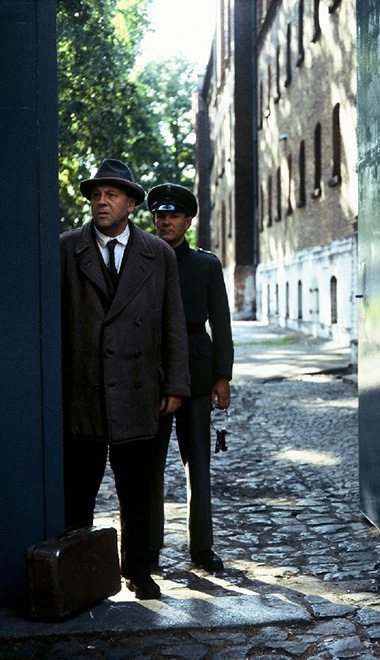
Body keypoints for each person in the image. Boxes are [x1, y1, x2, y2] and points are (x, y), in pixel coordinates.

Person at [60, 159, 190, 600]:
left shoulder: (160, 254)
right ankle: (75, 573)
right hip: (84, 391)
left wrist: (175, 384)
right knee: (77, 490)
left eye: (112, 194)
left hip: (139, 390)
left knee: (137, 490)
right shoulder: (65, 250)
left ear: (130, 203)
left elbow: (174, 322)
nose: (101, 201)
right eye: (96, 194)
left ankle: (137, 570)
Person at [147, 183, 234, 573]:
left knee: (197, 465)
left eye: (174, 216)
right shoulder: (142, 259)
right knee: (148, 468)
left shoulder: (206, 264)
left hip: (198, 377)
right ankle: (147, 549)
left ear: (188, 221)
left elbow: (222, 322)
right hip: (153, 376)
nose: (166, 222)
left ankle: (201, 548)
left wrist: (223, 376)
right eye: (160, 216)